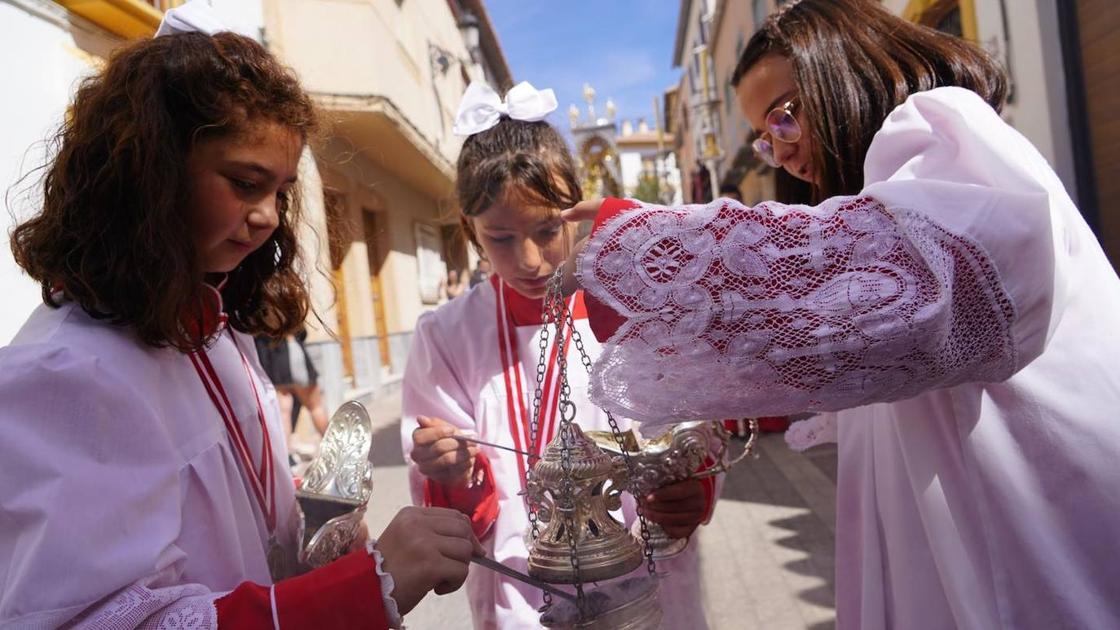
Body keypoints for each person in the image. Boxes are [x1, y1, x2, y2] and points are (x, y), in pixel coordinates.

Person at [560, 1, 1120, 628]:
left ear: (843, 66)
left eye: (784, 116)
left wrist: (645, 249)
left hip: (1032, 537)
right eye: (766, 139)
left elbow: (934, 290)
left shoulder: (939, 125)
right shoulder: (883, 191)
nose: (784, 152)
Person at [0, 4, 478, 628]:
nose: (270, 216)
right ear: (150, 173)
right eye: (245, 182)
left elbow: (245, 537)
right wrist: (364, 589)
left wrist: (318, 537)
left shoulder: (217, 327)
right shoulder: (65, 375)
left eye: (280, 191)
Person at [400, 81, 719, 629]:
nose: (529, 261)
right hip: (523, 589)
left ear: (576, 212)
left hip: (645, 583)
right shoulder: (448, 335)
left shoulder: (636, 308)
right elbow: (452, 498)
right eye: (500, 238)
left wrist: (689, 491)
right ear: (469, 232)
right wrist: (452, 469)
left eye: (548, 230)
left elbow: (690, 428)